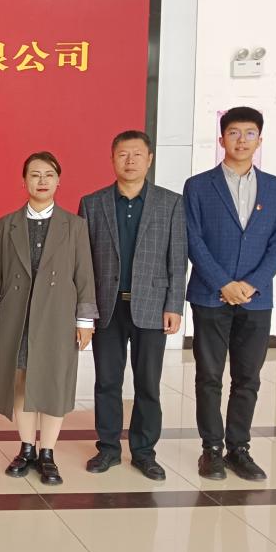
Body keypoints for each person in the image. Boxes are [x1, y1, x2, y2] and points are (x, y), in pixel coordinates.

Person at [184, 106, 276, 481]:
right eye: (234, 133)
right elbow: (192, 239)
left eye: (249, 133)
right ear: (221, 139)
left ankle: (238, 449)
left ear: (260, 140)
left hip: (256, 299)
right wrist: (222, 283)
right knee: (209, 376)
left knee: (248, 377)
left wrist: (252, 283)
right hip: (210, 295)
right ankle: (211, 449)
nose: (241, 140)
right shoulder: (198, 186)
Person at [79, 131, 187, 481]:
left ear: (149, 159)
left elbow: (177, 259)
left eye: (137, 154)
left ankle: (144, 452)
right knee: (106, 382)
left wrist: (174, 305)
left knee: (148, 384)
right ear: (112, 159)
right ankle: (108, 449)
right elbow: (83, 263)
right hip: (107, 308)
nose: (130, 161)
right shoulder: (92, 203)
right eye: (122, 154)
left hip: (153, 307)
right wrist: (84, 311)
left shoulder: (170, 203)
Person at [0, 152, 98, 485]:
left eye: (49, 175)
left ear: (58, 181)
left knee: (53, 381)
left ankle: (47, 452)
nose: (42, 181)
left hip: (58, 317)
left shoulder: (74, 226)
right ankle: (26, 448)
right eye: (35, 175)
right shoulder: (6, 225)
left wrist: (84, 321)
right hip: (17, 317)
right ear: (24, 181)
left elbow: (84, 275)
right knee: (20, 380)